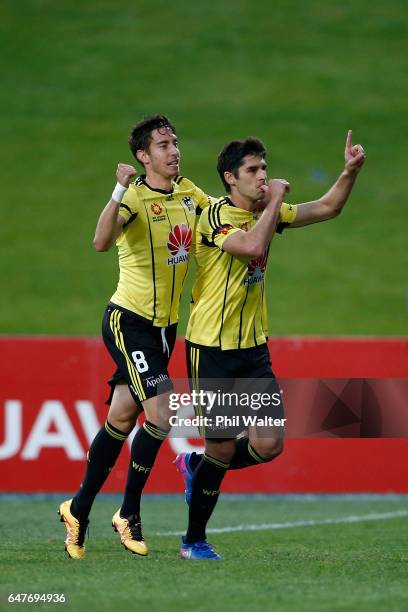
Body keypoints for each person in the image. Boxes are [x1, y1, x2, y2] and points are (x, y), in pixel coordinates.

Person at [176, 131, 366, 560]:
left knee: (269, 444)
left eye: (264, 168)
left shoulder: (266, 211)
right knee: (221, 448)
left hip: (254, 349)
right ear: (230, 178)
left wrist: (349, 172)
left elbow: (328, 207)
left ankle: (194, 467)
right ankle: (193, 541)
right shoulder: (212, 215)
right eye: (253, 170)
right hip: (212, 351)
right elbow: (252, 245)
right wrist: (277, 199)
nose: (263, 176)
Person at [58, 115, 213, 559]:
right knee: (161, 413)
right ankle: (128, 512)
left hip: (165, 329)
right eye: (163, 145)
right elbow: (101, 242)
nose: (174, 150)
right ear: (143, 156)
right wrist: (118, 190)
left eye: (175, 142)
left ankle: (78, 508)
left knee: (123, 419)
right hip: (129, 322)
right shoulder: (135, 198)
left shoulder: (189, 192)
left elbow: (218, 216)